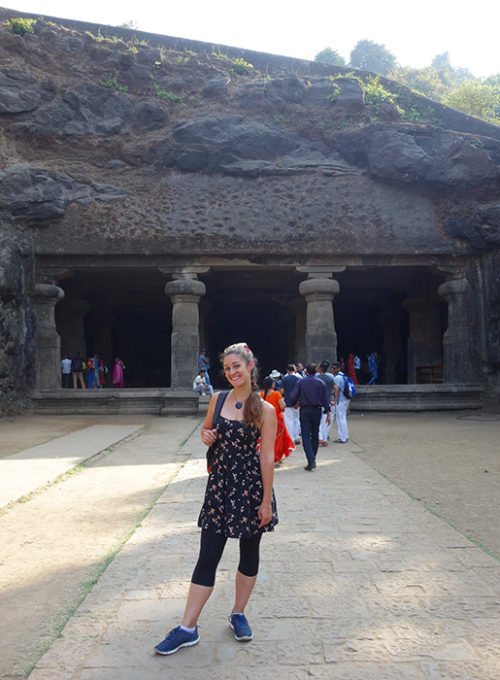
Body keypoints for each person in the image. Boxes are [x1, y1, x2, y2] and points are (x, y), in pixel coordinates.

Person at [154, 342, 278, 656]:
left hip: (250, 490)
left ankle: (238, 613)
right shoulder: (217, 399)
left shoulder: (265, 409)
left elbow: (266, 457)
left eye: (237, 366)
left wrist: (266, 501)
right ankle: (187, 627)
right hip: (220, 489)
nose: (232, 372)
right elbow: (207, 431)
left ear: (250, 366)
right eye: (227, 368)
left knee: (249, 554)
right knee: (207, 556)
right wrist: (205, 435)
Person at [290, 362, 331, 471]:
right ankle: (312, 459)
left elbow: (293, 395)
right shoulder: (321, 383)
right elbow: (325, 399)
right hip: (317, 410)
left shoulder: (301, 382)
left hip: (305, 409)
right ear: (316, 371)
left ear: (306, 372)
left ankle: (311, 460)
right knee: (315, 434)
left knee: (306, 435)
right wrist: (328, 412)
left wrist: (295, 402)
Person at [260, 376, 294, 464]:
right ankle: (278, 456)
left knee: (267, 437)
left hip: (266, 418)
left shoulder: (261, 394)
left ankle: (268, 455)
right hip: (277, 418)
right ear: (272, 384)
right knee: (279, 438)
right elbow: (282, 406)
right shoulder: (276, 394)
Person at [280, 364, 301, 444]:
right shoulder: (298, 379)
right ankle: (296, 437)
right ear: (294, 370)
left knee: (289, 421)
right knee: (297, 419)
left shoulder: (285, 379)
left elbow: (282, 391)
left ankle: (290, 438)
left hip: (288, 402)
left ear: (287, 371)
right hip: (297, 402)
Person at [317, 361, 335, 446]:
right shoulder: (330, 378)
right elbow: (336, 389)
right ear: (327, 369)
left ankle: (319, 438)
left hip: (317, 402)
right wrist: (335, 399)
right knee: (325, 421)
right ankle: (324, 439)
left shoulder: (316, 377)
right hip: (327, 401)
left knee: (318, 420)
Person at [331, 362, 349, 443]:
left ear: (339, 368)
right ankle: (345, 436)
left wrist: (334, 399)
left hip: (340, 400)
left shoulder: (337, 378)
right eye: (332, 368)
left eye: (334, 368)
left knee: (340, 419)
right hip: (345, 399)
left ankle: (343, 438)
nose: (333, 370)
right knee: (342, 418)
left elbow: (336, 390)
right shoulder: (343, 376)